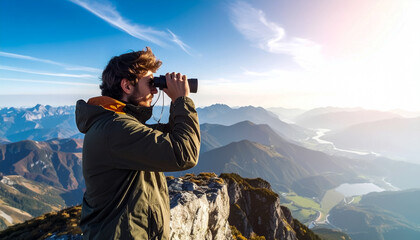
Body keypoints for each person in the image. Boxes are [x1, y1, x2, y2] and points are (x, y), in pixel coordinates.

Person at [75, 47, 200, 239]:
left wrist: (176, 101)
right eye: (150, 82)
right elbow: (184, 154)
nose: (155, 89)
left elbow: (172, 136)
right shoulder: (115, 128)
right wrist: (182, 99)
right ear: (127, 86)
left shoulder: (116, 124)